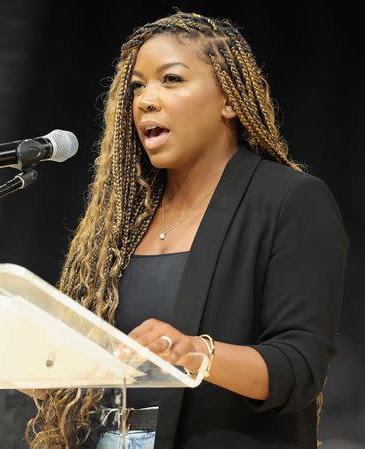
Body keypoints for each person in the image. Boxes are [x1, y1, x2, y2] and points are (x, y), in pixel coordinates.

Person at [23, 10, 348, 449]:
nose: (145, 100)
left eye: (171, 80)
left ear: (229, 100)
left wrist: (198, 353)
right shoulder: (121, 219)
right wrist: (45, 374)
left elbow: (299, 368)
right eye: (137, 85)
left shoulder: (287, 200)